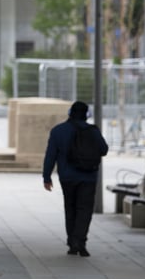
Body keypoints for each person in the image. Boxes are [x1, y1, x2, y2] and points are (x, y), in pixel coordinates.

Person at [42, 100, 109, 257]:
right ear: (86, 114)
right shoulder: (93, 131)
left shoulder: (58, 131)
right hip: (89, 177)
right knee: (84, 210)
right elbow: (104, 149)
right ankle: (81, 241)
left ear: (70, 113)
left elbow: (50, 155)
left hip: (67, 177)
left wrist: (47, 176)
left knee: (70, 208)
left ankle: (72, 242)